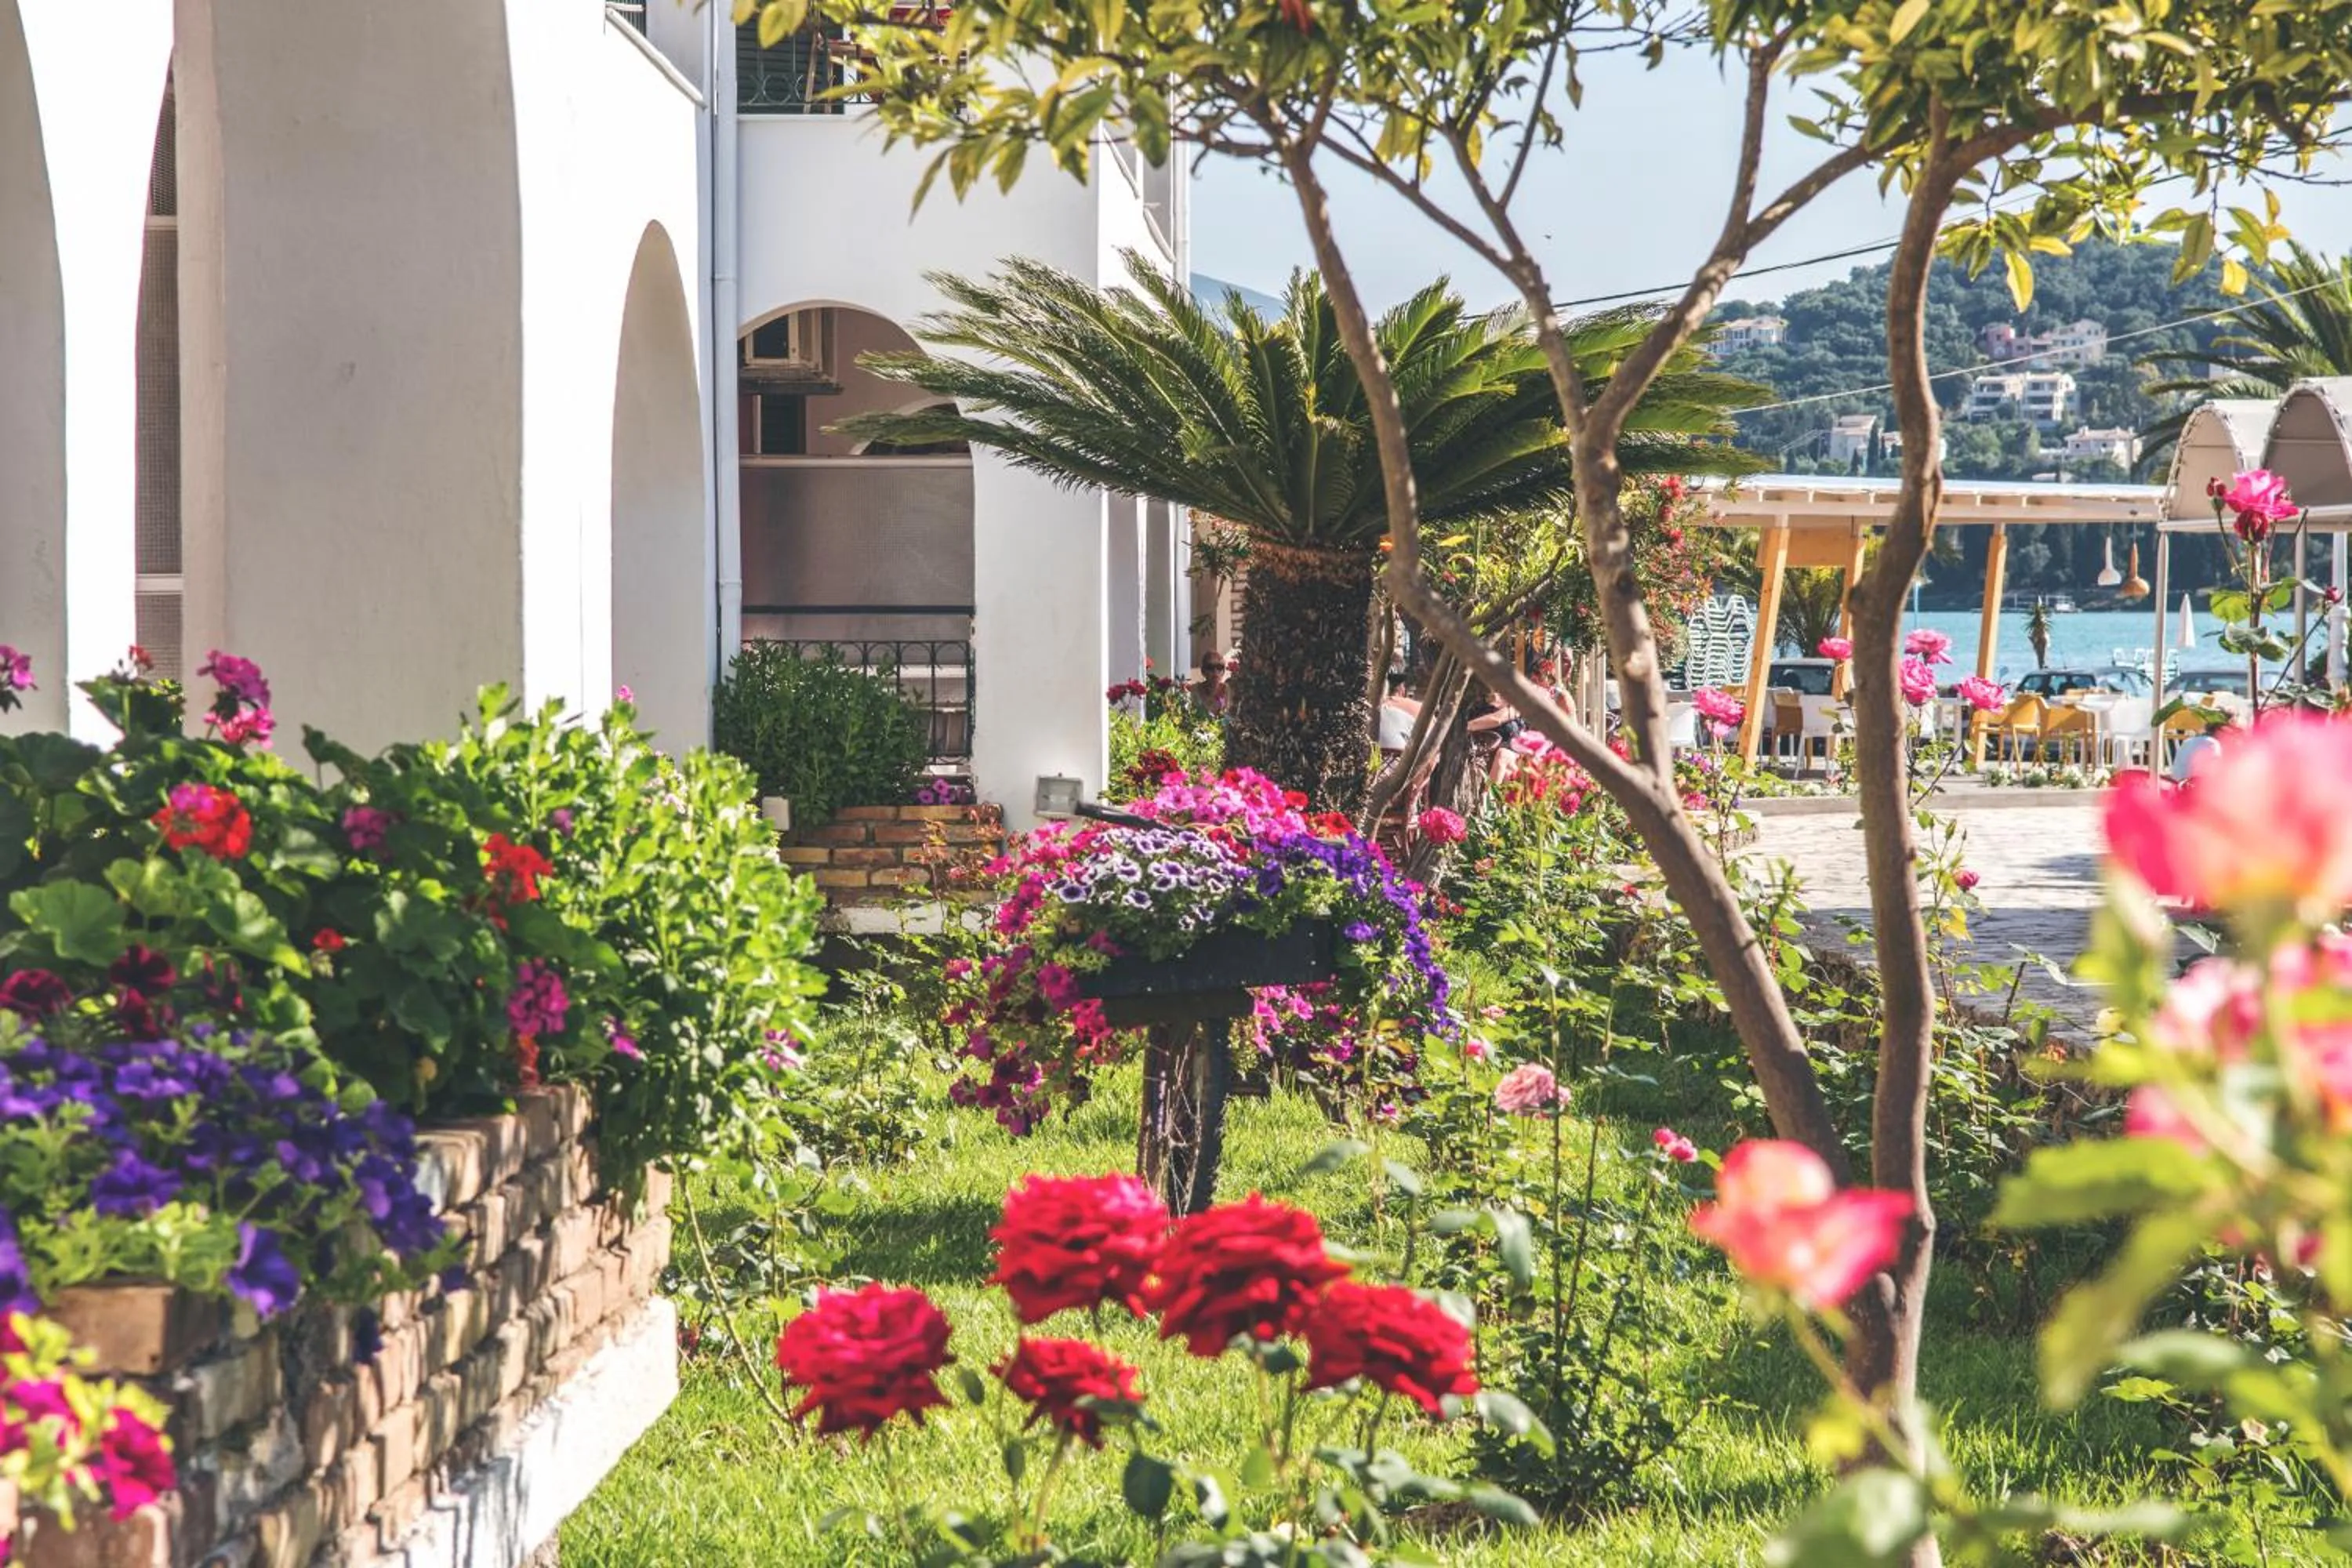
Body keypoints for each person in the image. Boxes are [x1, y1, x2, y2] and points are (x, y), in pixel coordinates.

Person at [1377, 669, 1421, 752]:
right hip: (1406, 761)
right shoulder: (1418, 708)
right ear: (1401, 689)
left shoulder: (1365, 711)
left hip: (1368, 761)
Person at [1193, 650, 1232, 715]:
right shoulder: (1195, 690)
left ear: (1223, 672)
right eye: (1210, 667)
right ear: (1203, 671)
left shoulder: (1229, 691)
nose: (1215, 671)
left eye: (1219, 667)